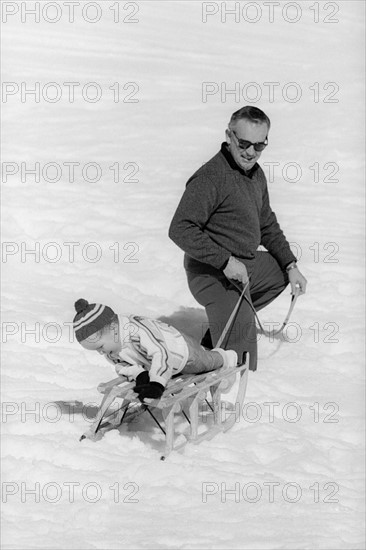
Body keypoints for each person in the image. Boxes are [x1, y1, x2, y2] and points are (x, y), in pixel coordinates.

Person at [169, 106, 307, 371]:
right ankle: (228, 324)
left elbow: (266, 223)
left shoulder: (256, 175)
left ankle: (225, 323)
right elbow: (180, 228)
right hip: (211, 273)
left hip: (244, 266)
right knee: (242, 363)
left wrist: (291, 265)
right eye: (243, 143)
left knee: (279, 270)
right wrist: (224, 262)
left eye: (259, 145)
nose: (251, 152)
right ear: (229, 136)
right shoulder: (211, 178)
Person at [72, 298, 238, 401]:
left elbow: (161, 352)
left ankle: (227, 358)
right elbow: (120, 365)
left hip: (181, 352)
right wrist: (139, 374)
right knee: (187, 364)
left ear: (114, 328)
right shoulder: (111, 347)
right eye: (96, 350)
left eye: (100, 347)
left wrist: (157, 383)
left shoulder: (137, 332)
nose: (101, 353)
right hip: (160, 365)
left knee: (206, 362)